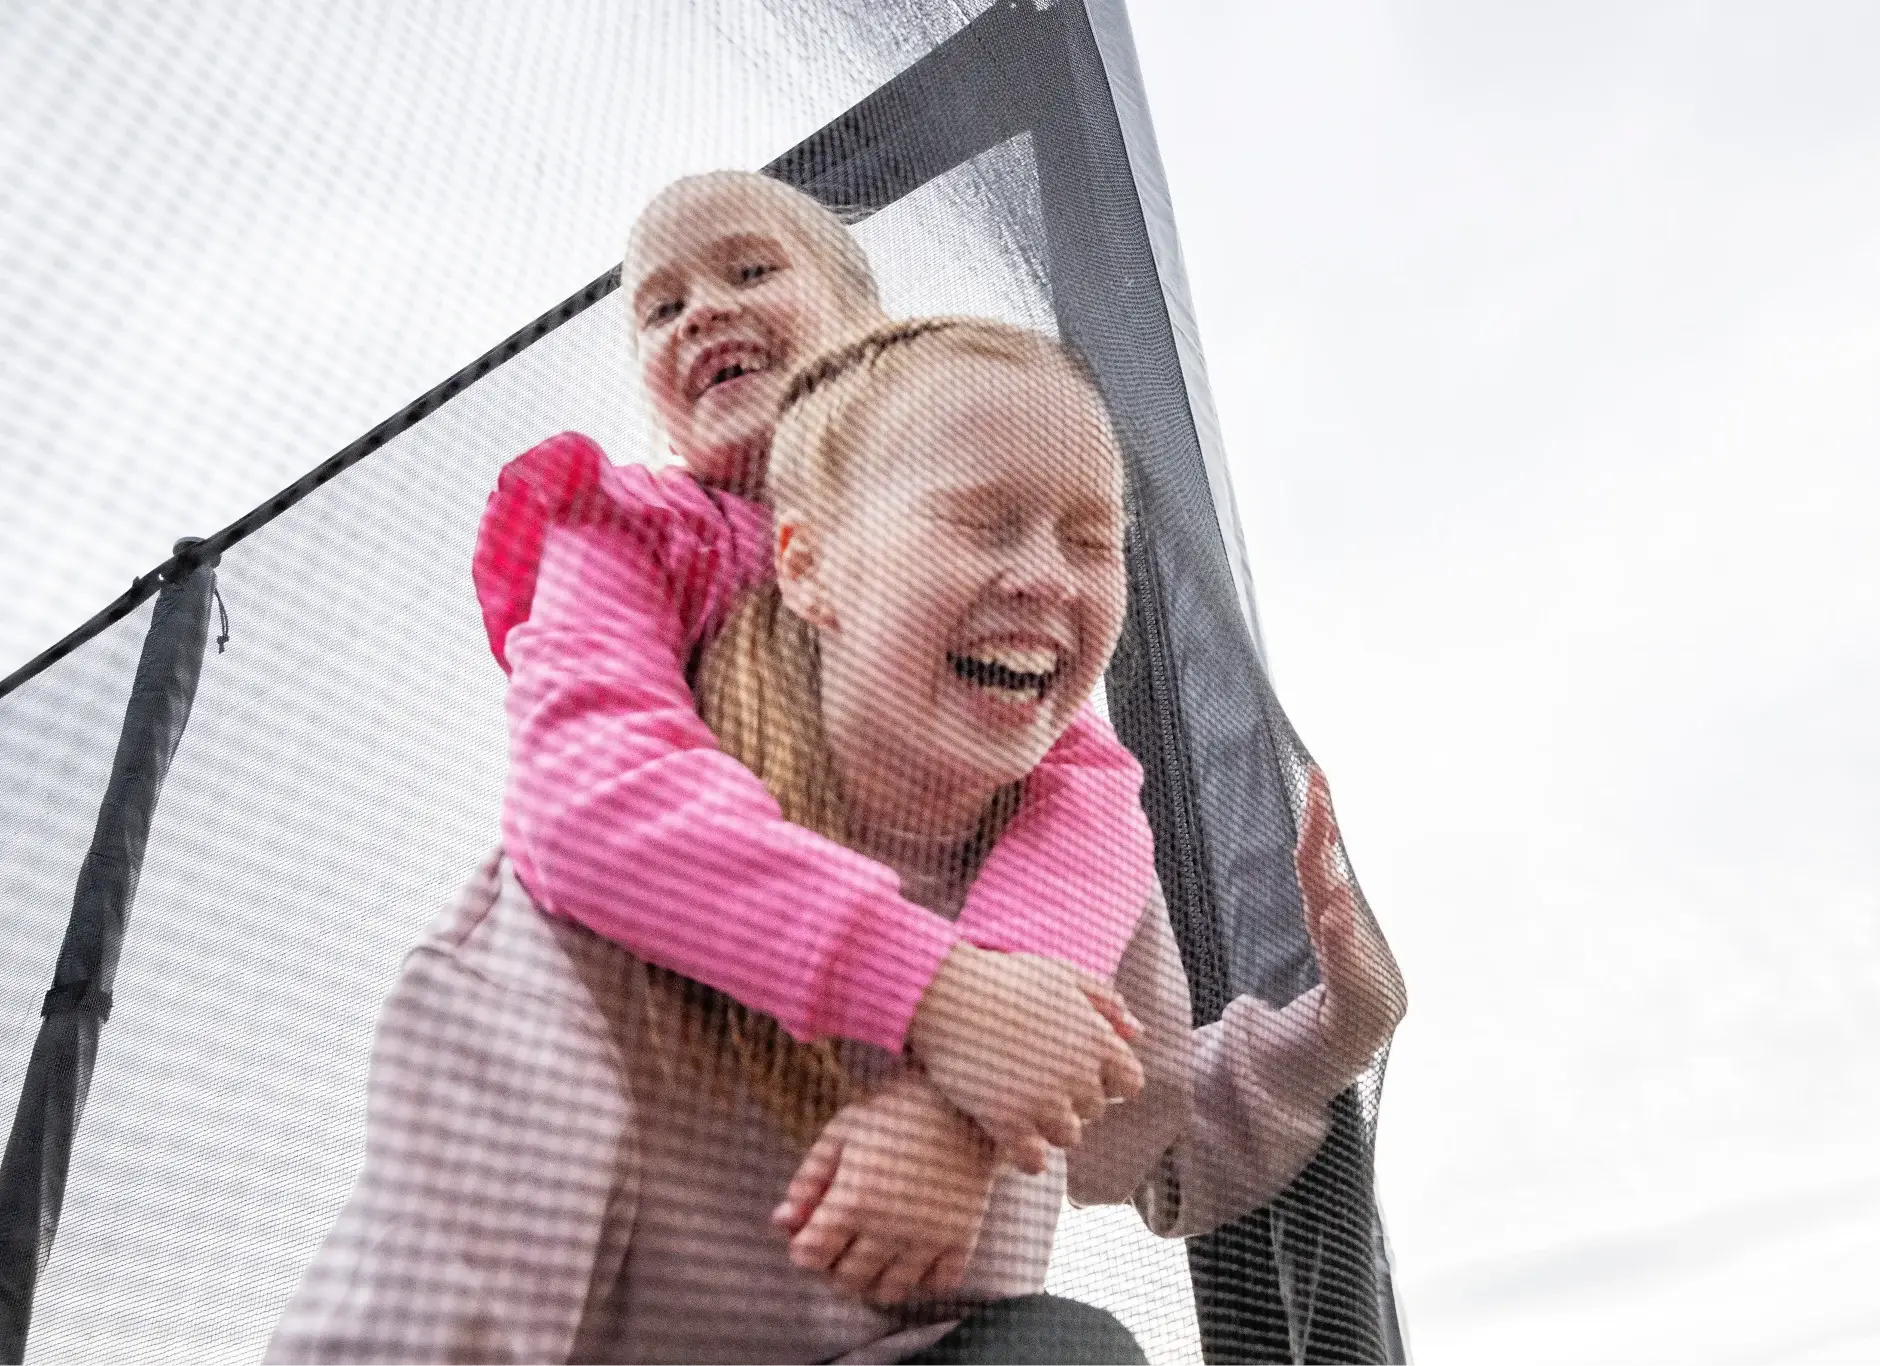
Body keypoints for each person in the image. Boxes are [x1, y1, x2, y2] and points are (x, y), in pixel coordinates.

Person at [264, 316, 1405, 1365]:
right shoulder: (592, 916)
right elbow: (425, 1307)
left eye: (1090, 538)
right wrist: (946, 1009)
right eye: (983, 518)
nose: (1048, 575)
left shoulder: (1081, 881)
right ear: (809, 566)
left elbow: (1134, 1135)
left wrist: (1336, 1029)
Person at [470, 171, 1159, 1177]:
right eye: (661, 307)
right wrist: (933, 992)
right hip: (610, 1103)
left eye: (749, 268)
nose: (702, 308)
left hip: (834, 1136)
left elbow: (1090, 794)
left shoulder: (951, 573)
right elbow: (586, 790)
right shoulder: (635, 532)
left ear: (866, 330)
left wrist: (964, 1096)